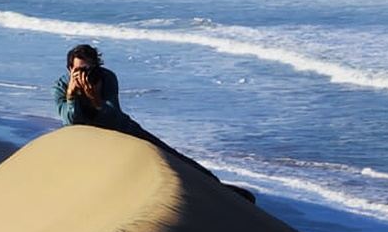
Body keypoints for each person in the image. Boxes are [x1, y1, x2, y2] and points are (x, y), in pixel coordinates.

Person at [53, 43, 255, 202]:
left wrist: (96, 99)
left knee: (173, 158)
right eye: (79, 70)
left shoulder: (106, 78)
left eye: (89, 69)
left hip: (123, 130)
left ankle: (216, 187)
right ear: (70, 69)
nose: (85, 74)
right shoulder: (61, 85)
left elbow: (113, 116)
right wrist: (71, 96)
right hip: (90, 144)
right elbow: (70, 123)